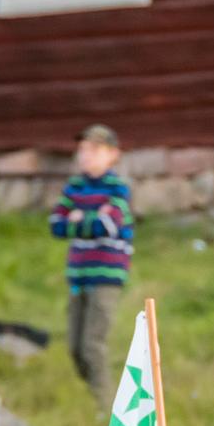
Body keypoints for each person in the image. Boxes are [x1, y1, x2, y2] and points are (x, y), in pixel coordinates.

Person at [49, 124, 134, 407]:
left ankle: (107, 409)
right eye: (82, 149)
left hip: (106, 275)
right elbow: (56, 225)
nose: (86, 155)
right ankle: (95, 396)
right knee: (74, 346)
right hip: (79, 273)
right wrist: (87, 220)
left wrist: (77, 219)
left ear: (113, 154)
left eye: (94, 149)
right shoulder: (74, 187)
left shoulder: (117, 189)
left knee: (92, 344)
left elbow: (108, 224)